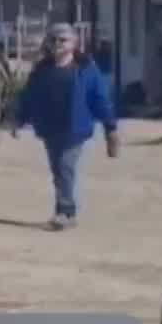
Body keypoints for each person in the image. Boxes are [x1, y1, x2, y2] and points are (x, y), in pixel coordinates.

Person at [13, 22, 118, 231]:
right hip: (50, 127)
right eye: (53, 39)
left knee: (64, 166)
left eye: (63, 39)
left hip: (75, 128)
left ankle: (65, 212)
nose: (58, 43)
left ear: (74, 43)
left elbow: (100, 98)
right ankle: (65, 210)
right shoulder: (42, 69)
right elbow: (29, 98)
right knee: (58, 170)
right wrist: (19, 120)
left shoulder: (86, 68)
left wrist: (110, 127)